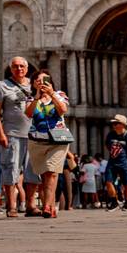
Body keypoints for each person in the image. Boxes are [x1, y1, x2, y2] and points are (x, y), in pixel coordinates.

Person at [0, 56, 38, 218]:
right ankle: (11, 206)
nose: (19, 69)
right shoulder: (2, 86)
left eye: (22, 66)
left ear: (27, 68)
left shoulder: (34, 85)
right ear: (10, 69)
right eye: (15, 66)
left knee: (33, 171)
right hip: (12, 134)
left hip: (34, 135)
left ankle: (31, 205)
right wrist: (0, 134)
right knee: (10, 169)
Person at [23, 71, 72, 220]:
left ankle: (47, 206)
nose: (41, 82)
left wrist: (51, 94)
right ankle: (51, 206)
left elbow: (63, 110)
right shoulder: (30, 98)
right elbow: (29, 113)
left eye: (43, 80)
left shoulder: (60, 94)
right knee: (45, 174)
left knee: (51, 171)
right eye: (37, 80)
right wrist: (37, 97)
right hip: (37, 140)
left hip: (58, 139)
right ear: (33, 84)